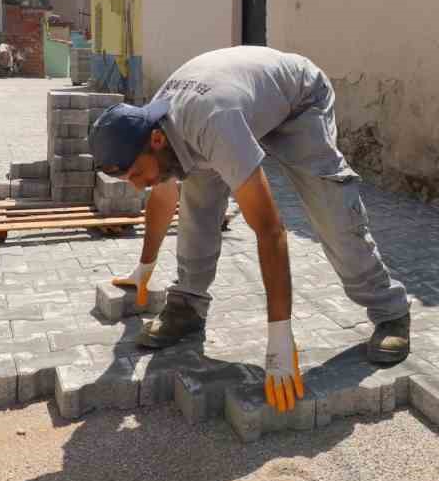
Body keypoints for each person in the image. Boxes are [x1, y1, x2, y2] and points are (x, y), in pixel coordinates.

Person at [90, 46, 412, 412]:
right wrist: (143, 269)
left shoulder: (211, 124)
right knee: (196, 195)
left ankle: (391, 313)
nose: (136, 186)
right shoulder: (155, 127)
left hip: (299, 100)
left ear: (157, 141)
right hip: (234, 105)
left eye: (135, 175)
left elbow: (270, 230)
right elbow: (163, 198)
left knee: (331, 208)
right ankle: (187, 306)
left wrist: (279, 340)